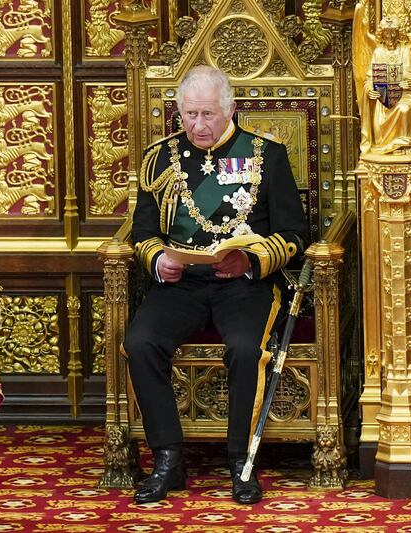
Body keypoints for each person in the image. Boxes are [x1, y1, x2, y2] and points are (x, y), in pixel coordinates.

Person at [124, 65, 309, 505]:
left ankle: (239, 463)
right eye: (189, 115)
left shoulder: (266, 154)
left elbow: (297, 235)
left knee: (246, 348)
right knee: (140, 340)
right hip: (182, 283)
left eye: (207, 114)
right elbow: (142, 233)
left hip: (244, 284)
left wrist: (250, 259)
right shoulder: (160, 159)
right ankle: (168, 461)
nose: (198, 126)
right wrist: (159, 260)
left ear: (229, 109)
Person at [360, 16, 411, 153]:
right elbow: (370, 78)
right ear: (382, 34)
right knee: (381, 117)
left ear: (398, 33)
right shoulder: (378, 52)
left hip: (405, 95)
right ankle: (387, 145)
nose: (390, 37)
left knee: (404, 109)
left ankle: (404, 144)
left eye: (393, 32)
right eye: (387, 33)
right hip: (385, 99)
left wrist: (410, 83)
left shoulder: (405, 51)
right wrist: (370, 89)